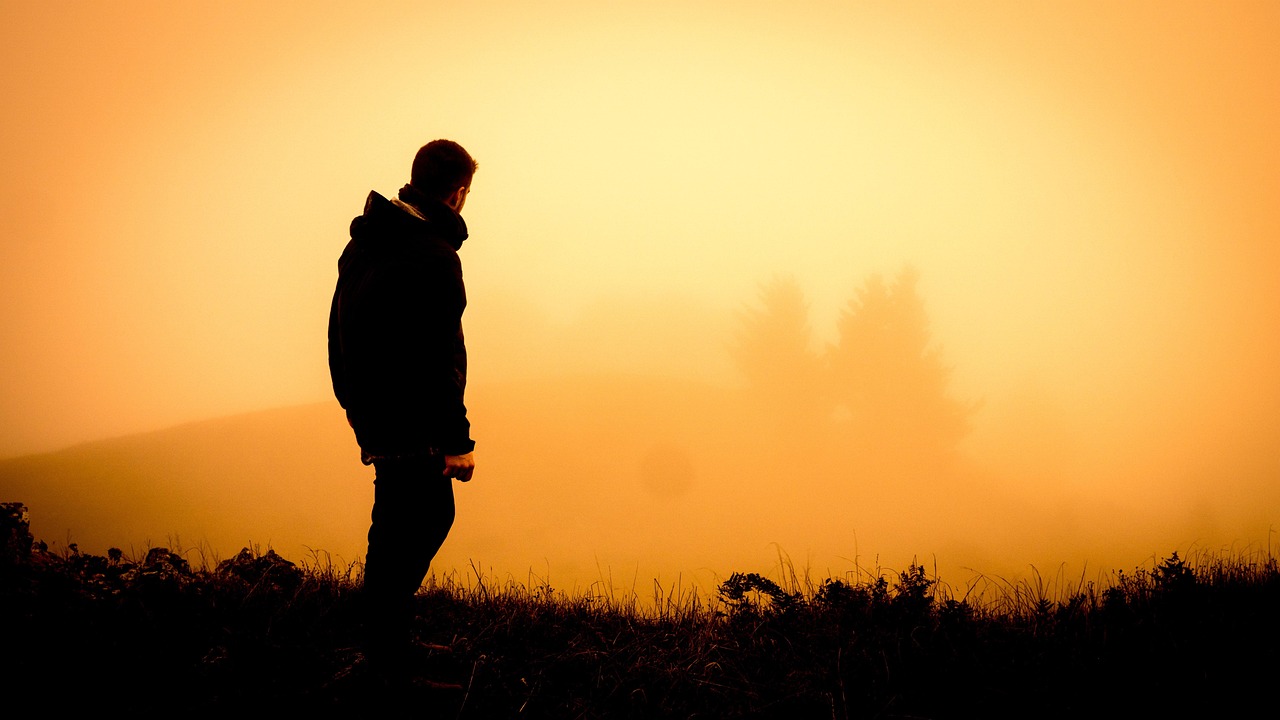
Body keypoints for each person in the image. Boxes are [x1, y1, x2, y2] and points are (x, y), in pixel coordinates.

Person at [327, 139, 478, 679]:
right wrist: (457, 441)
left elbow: (335, 331)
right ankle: (385, 656)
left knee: (394, 523)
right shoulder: (434, 257)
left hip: (375, 413)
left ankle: (383, 645)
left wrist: (354, 408)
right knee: (425, 520)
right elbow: (442, 356)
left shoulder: (366, 242)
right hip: (413, 423)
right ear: (459, 193)